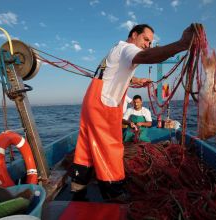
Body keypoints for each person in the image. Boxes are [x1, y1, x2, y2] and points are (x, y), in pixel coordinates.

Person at [70, 23, 195, 201]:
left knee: (86, 147)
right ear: (134, 34)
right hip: (103, 106)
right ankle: (114, 192)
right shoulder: (128, 48)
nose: (148, 45)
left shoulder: (117, 48)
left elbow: (111, 74)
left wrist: (133, 79)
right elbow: (146, 56)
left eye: (150, 43)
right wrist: (182, 44)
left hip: (91, 102)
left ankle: (77, 186)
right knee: (111, 147)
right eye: (146, 40)